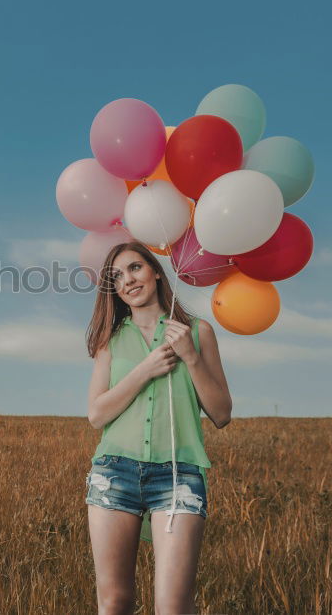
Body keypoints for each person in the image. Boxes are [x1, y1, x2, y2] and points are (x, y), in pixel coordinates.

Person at [84, 241, 232, 615]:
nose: (128, 280)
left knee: (173, 606)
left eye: (134, 268)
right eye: (116, 277)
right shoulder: (110, 341)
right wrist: (144, 370)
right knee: (115, 601)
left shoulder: (198, 332)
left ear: (155, 271)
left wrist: (190, 357)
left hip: (179, 476)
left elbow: (221, 413)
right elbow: (97, 414)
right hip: (114, 473)